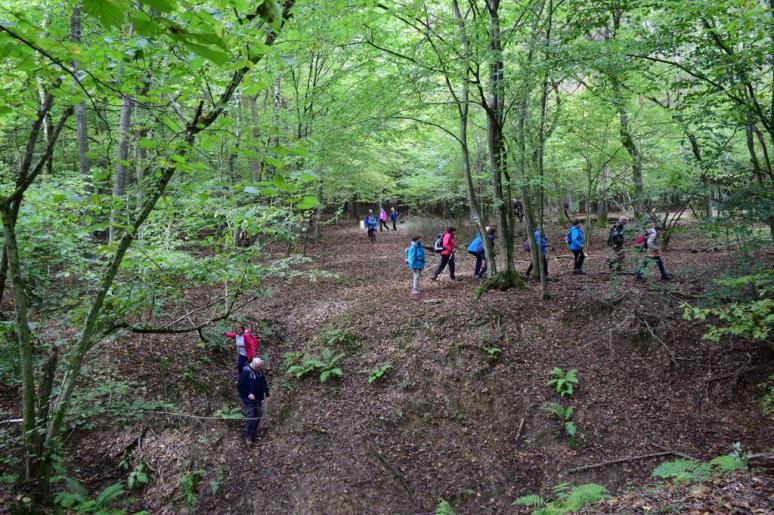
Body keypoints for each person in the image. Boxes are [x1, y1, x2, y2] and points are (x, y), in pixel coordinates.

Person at [237, 357, 270, 446]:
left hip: (258, 397)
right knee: (251, 415)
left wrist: (267, 394)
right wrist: (248, 394)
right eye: (258, 367)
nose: (259, 368)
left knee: (258, 415)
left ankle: (253, 432)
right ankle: (248, 435)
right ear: (254, 365)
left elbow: (263, 382)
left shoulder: (259, 371)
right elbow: (239, 386)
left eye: (260, 367)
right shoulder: (245, 371)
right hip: (248, 398)